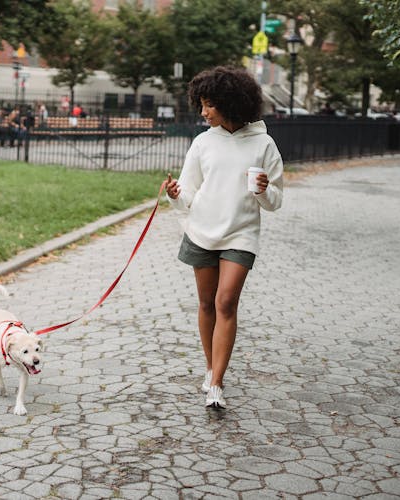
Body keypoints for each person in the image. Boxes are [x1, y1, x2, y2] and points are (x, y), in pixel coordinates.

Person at [163, 66, 284, 410]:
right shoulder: (203, 142)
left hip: (241, 234)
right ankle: (209, 367)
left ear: (230, 103)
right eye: (200, 104)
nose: (203, 112)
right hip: (201, 231)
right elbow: (186, 194)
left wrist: (263, 191)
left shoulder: (263, 144)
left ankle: (216, 383)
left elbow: (276, 200)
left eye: (209, 105)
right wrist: (174, 194)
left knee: (225, 302)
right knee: (206, 304)